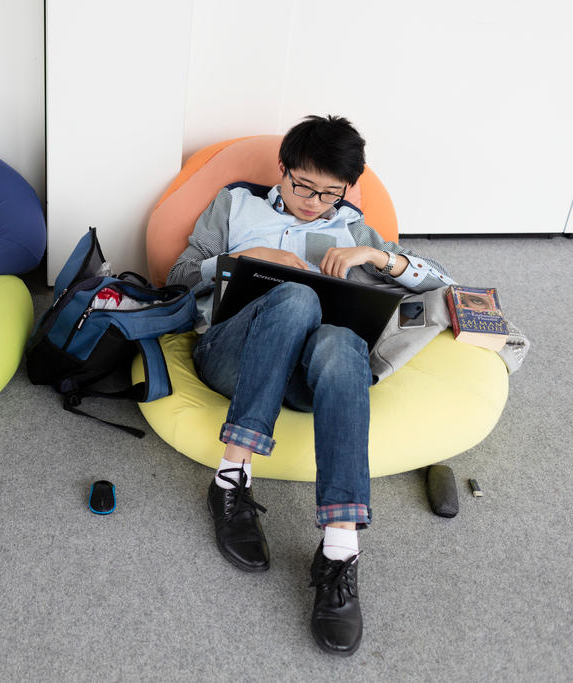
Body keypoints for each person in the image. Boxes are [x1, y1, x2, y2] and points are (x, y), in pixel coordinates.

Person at [167, 115, 454, 655]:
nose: (314, 202)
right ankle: (233, 479)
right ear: (284, 169)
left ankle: (340, 550)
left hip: (310, 375)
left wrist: (378, 257)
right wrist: (241, 261)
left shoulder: (354, 227)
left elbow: (445, 284)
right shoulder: (235, 204)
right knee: (296, 296)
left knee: (344, 342)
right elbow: (176, 276)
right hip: (233, 354)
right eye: (303, 186)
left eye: (330, 192)